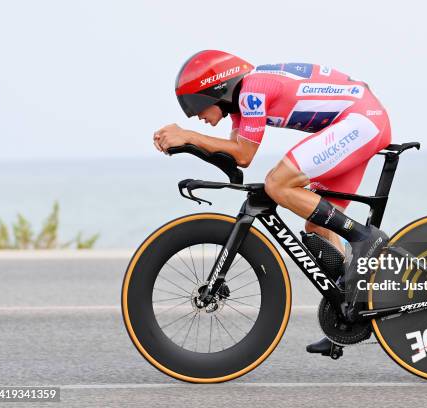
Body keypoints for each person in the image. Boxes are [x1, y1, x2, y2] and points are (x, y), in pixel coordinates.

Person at [153, 50, 391, 355]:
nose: (196, 116)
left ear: (213, 90)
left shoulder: (252, 91)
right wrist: (189, 144)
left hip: (360, 121)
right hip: (359, 120)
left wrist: (189, 136)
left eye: (194, 107)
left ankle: (364, 237)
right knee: (317, 225)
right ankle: (348, 315)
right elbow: (234, 157)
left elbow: (244, 154)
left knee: (278, 182)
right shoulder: (242, 104)